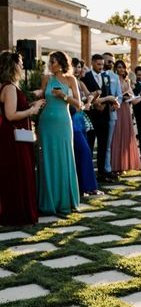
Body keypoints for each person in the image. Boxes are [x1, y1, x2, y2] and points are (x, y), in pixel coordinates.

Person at [0, 51, 43, 225]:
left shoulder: (10, 86)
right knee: (17, 172)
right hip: (13, 137)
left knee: (20, 171)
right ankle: (16, 212)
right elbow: (10, 115)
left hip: (17, 136)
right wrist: (32, 111)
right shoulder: (9, 87)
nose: (23, 66)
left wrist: (31, 105)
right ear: (13, 66)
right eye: (20, 63)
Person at [37, 51, 81, 215]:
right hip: (46, 122)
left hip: (63, 122)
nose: (50, 65)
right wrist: (36, 96)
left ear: (62, 63)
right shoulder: (46, 79)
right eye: (50, 62)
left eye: (53, 62)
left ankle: (64, 200)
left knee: (63, 158)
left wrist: (63, 95)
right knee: (46, 159)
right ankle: (47, 202)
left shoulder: (71, 80)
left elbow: (79, 105)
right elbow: (42, 98)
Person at [81, 54, 119, 182]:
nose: (101, 67)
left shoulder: (106, 76)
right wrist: (97, 104)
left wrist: (108, 104)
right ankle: (89, 174)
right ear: (92, 63)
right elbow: (86, 96)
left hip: (105, 116)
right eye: (98, 64)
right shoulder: (85, 77)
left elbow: (108, 93)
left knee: (103, 146)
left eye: (102, 65)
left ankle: (102, 174)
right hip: (91, 117)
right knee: (90, 146)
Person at [71, 58, 100, 196]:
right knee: (83, 152)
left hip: (81, 120)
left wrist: (88, 101)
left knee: (84, 152)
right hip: (71, 119)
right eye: (75, 67)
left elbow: (90, 95)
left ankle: (87, 187)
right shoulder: (68, 82)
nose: (78, 70)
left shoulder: (80, 82)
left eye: (80, 67)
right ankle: (83, 187)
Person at [110, 60, 141, 173]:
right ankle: (115, 165)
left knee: (126, 135)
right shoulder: (113, 80)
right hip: (117, 109)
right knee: (117, 135)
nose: (121, 69)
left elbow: (133, 100)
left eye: (123, 67)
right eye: (119, 67)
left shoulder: (126, 81)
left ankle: (124, 163)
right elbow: (113, 95)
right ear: (115, 68)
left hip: (126, 110)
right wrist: (121, 97)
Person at [102, 52, 122, 178]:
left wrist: (117, 104)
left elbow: (119, 95)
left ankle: (107, 169)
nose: (111, 64)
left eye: (112, 61)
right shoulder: (98, 75)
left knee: (108, 144)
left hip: (111, 113)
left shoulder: (115, 77)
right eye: (108, 61)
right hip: (98, 113)